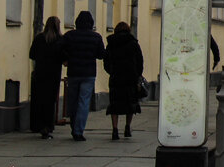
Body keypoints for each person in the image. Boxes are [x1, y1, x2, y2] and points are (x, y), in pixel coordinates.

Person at [63, 10, 105, 141]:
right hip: (88, 73)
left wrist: (67, 59)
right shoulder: (96, 37)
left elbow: (62, 51)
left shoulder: (69, 36)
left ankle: (73, 126)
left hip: (73, 72)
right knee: (84, 102)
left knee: (73, 101)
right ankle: (78, 130)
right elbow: (101, 54)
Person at [104, 21, 144, 140]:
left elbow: (106, 62)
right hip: (130, 78)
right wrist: (138, 75)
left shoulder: (111, 44)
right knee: (130, 104)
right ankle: (127, 128)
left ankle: (115, 129)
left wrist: (111, 71)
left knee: (115, 104)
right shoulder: (133, 43)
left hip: (116, 78)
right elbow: (140, 61)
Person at [28, 16, 64, 139]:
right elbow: (63, 58)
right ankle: (48, 126)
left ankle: (38, 125)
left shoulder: (39, 38)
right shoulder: (60, 40)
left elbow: (32, 54)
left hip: (40, 74)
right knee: (50, 101)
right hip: (53, 75)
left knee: (39, 100)